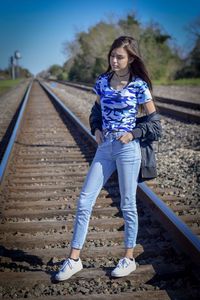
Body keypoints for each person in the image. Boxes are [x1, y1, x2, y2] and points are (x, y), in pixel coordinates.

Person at [55, 36, 162, 281]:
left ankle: (128, 258)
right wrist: (96, 128)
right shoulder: (102, 82)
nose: (114, 60)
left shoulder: (139, 86)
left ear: (131, 58)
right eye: (112, 56)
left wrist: (133, 133)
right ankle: (73, 260)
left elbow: (156, 125)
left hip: (127, 149)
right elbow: (96, 110)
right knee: (84, 200)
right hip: (105, 148)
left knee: (127, 204)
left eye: (120, 57)